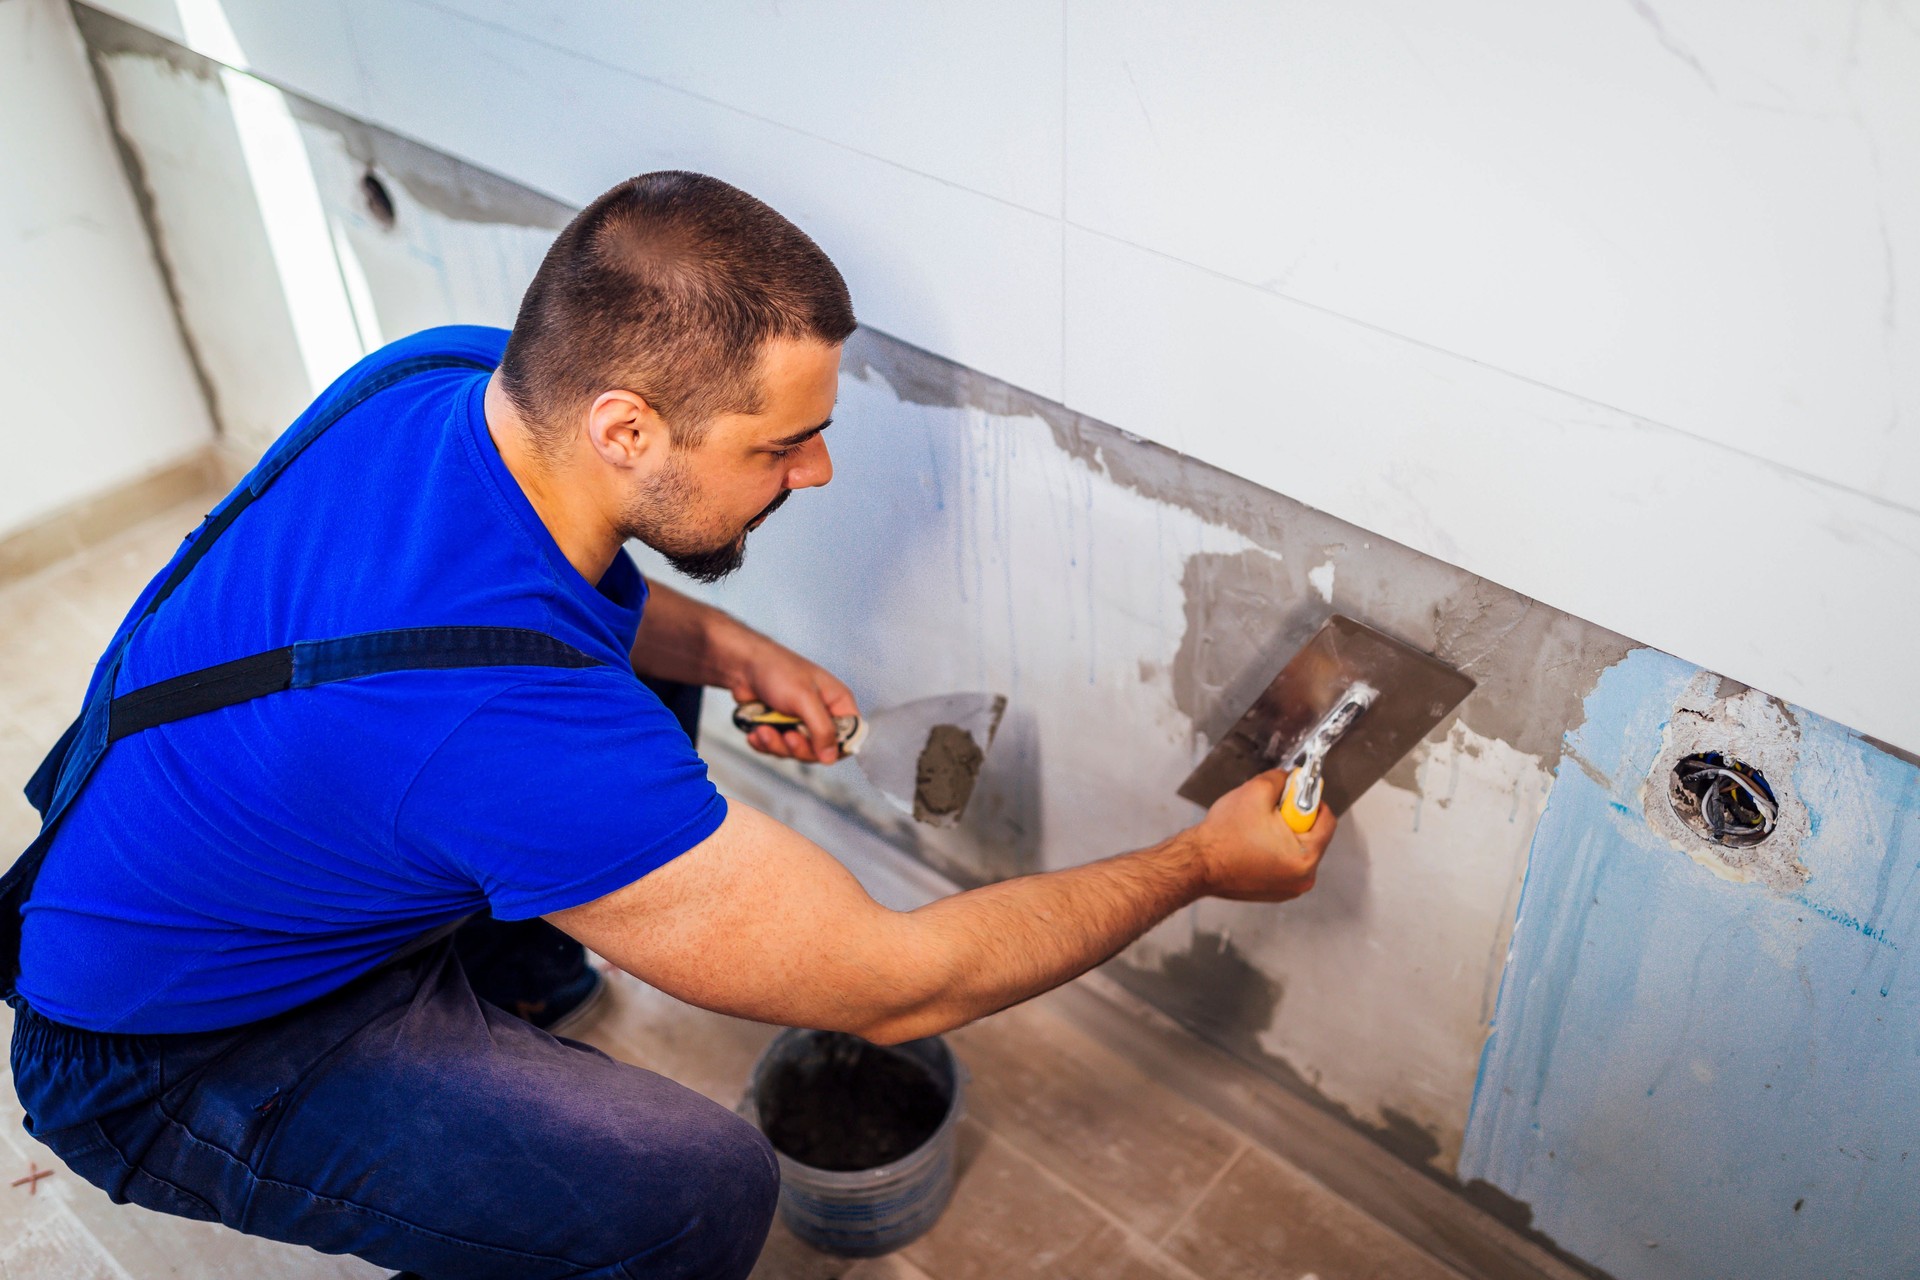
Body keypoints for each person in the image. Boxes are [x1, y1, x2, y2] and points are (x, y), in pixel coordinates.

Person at [2, 171, 1335, 1280]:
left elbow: (522, 602)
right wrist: (1198, 867)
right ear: (628, 425)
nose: (817, 470)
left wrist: (742, 644)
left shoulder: (449, 380)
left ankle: (524, 988)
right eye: (781, 446)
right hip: (170, 1053)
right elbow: (900, 983)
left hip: (226, 853)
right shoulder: (491, 733)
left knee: (639, 686)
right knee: (692, 1190)